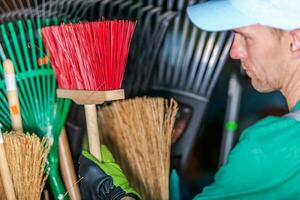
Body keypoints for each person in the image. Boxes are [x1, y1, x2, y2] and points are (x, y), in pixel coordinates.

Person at [79, 0, 300, 199]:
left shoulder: (275, 146)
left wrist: (114, 194)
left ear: (295, 41)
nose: (234, 51)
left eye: (245, 36)